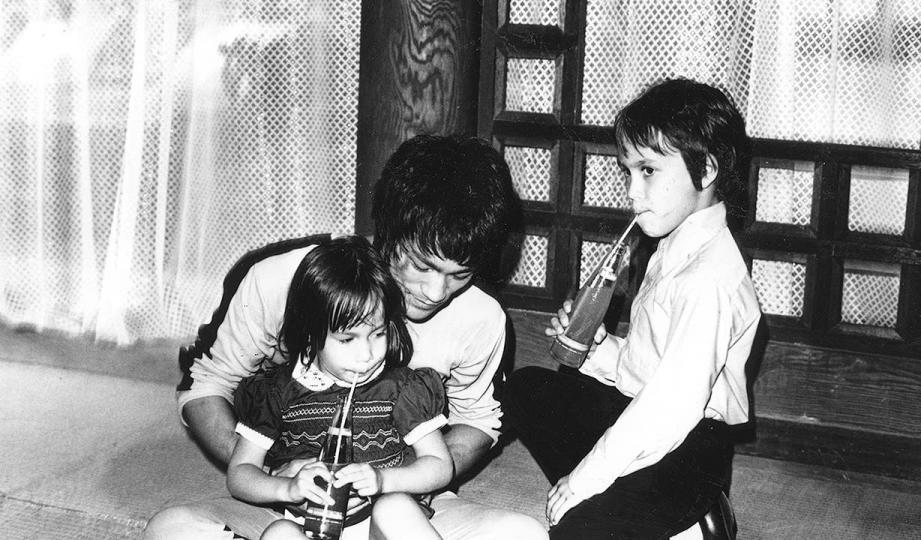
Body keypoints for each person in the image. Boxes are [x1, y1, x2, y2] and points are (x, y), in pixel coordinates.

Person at [145, 134, 546, 539]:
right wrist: (276, 477)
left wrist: (401, 477)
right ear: (387, 231)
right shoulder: (285, 279)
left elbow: (477, 422)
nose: (436, 293)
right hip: (287, 513)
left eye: (459, 275)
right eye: (421, 266)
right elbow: (207, 384)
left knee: (523, 532)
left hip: (407, 508)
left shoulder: (481, 317)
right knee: (171, 529)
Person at [502, 78, 761, 539]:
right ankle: (657, 511)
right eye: (629, 172)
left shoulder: (709, 278)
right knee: (526, 389)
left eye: (648, 171)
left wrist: (584, 481)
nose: (633, 193)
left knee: (575, 530)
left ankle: (698, 516)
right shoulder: (671, 242)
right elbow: (647, 366)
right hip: (645, 412)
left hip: (690, 444)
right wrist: (594, 348)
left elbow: (668, 407)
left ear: (706, 172)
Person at [227, 236, 451, 540]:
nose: (367, 353)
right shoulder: (277, 392)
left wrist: (383, 480)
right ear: (310, 333)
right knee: (279, 533)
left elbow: (439, 465)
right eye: (347, 339)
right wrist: (287, 488)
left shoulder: (401, 388)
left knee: (395, 508)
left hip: (376, 527)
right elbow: (240, 474)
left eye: (378, 333)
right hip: (308, 528)